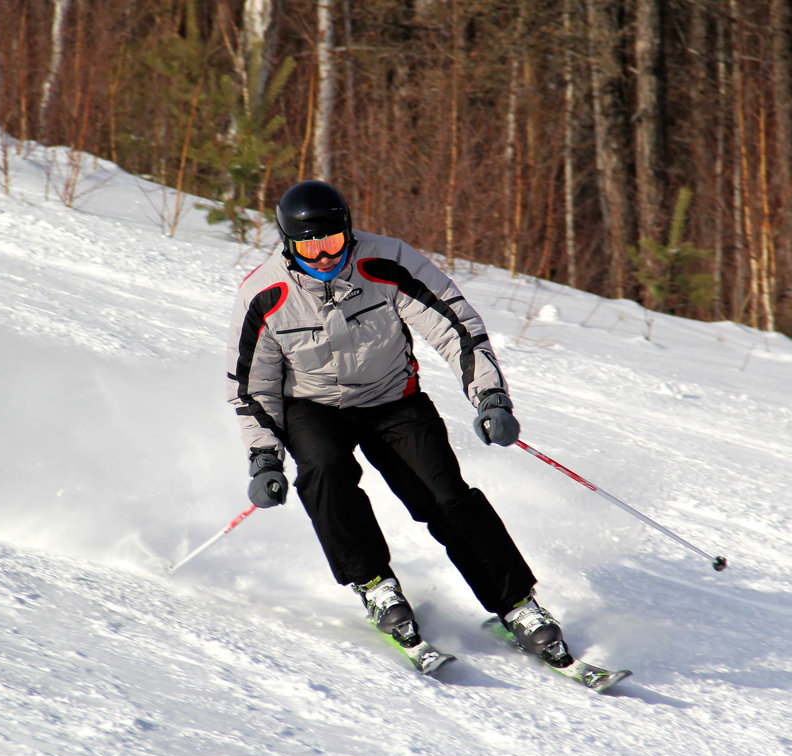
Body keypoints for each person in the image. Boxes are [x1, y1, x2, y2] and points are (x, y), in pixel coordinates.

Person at [225, 180, 569, 665]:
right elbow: (251, 387)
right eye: (309, 247)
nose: (323, 257)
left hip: (392, 398)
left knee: (446, 495)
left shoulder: (388, 263)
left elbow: (456, 327)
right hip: (313, 405)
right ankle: (375, 585)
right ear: (287, 243)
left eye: (332, 243)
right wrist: (264, 459)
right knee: (324, 471)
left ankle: (517, 606)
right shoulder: (265, 295)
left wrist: (490, 397)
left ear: (348, 233)